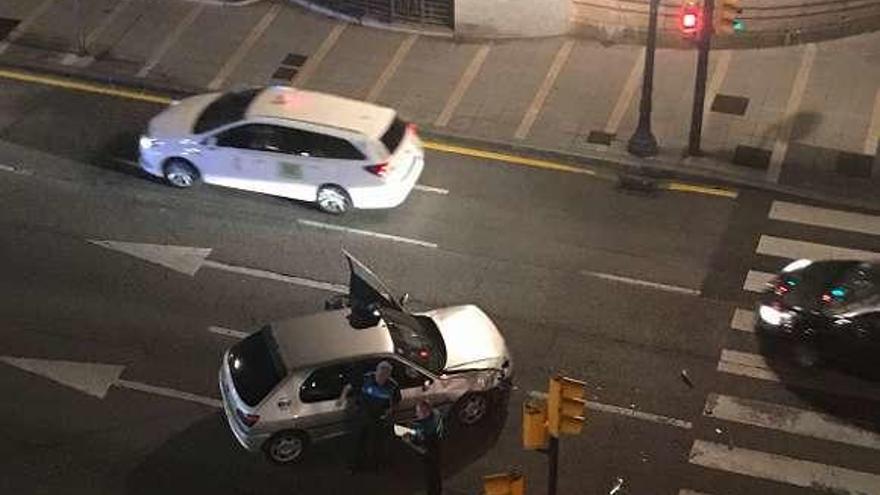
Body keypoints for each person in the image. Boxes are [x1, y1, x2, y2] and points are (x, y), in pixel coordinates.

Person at [342, 360, 401, 472]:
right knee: (358, 441)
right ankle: (355, 465)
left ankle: (375, 466)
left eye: (385, 375)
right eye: (380, 374)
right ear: (376, 371)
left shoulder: (393, 386)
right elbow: (349, 386)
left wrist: (390, 411)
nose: (381, 378)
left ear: (389, 375)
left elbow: (397, 402)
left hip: (378, 417)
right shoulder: (366, 378)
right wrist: (342, 398)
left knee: (376, 443)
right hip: (362, 414)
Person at [405, 400, 444, 495]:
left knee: (431, 479)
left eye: (418, 412)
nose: (416, 414)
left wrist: (409, 442)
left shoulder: (428, 430)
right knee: (436, 476)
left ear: (426, 413)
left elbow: (424, 451)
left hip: (430, 458)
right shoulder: (435, 417)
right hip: (436, 453)